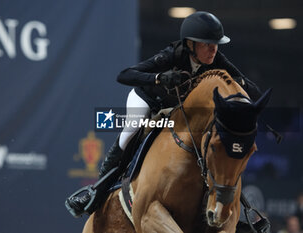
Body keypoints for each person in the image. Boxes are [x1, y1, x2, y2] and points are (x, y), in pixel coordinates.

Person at [67, 11, 262, 216]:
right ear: (190, 44)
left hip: (179, 111)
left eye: (215, 44)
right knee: (131, 131)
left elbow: (254, 91)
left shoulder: (217, 60)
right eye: (206, 44)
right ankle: (96, 193)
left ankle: (238, 210)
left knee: (218, 146)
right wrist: (159, 78)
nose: (213, 49)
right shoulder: (173, 54)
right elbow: (125, 75)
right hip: (149, 102)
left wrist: (237, 80)